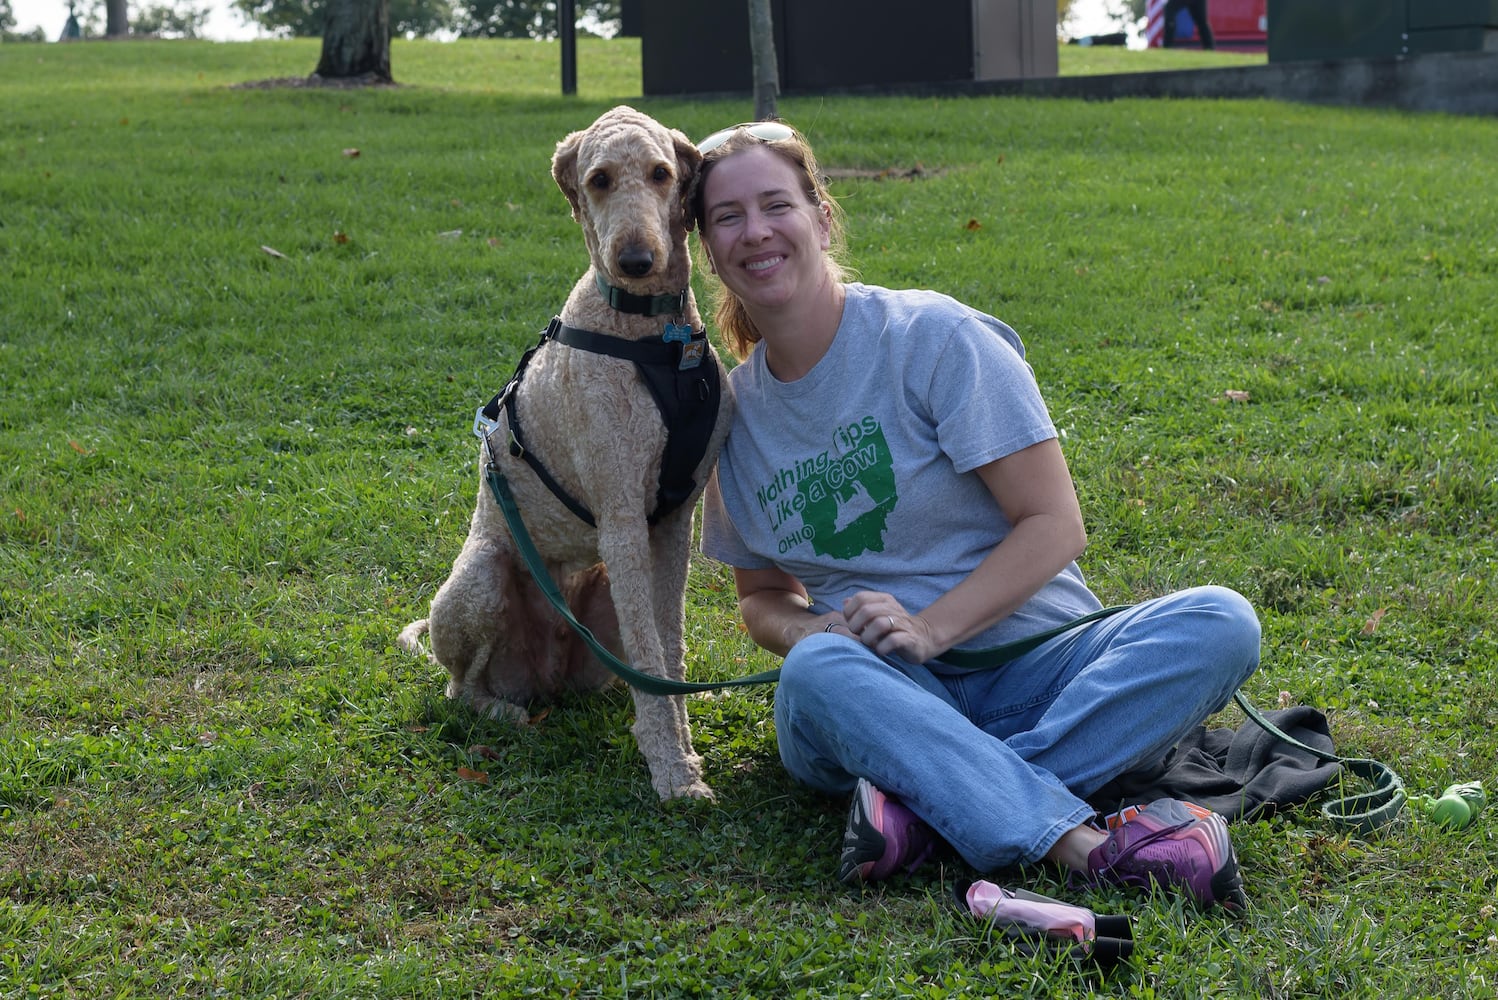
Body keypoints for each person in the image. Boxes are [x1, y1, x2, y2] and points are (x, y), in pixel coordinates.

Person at [689, 121, 1259, 911]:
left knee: (1222, 621)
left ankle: (931, 807)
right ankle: (1083, 846)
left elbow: (1055, 524)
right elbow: (762, 598)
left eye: (776, 204)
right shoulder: (732, 421)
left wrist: (932, 629)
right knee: (815, 673)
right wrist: (807, 631)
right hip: (877, 695)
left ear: (821, 217)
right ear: (709, 252)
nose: (755, 231)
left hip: (1041, 671)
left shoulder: (934, 339)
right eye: (727, 218)